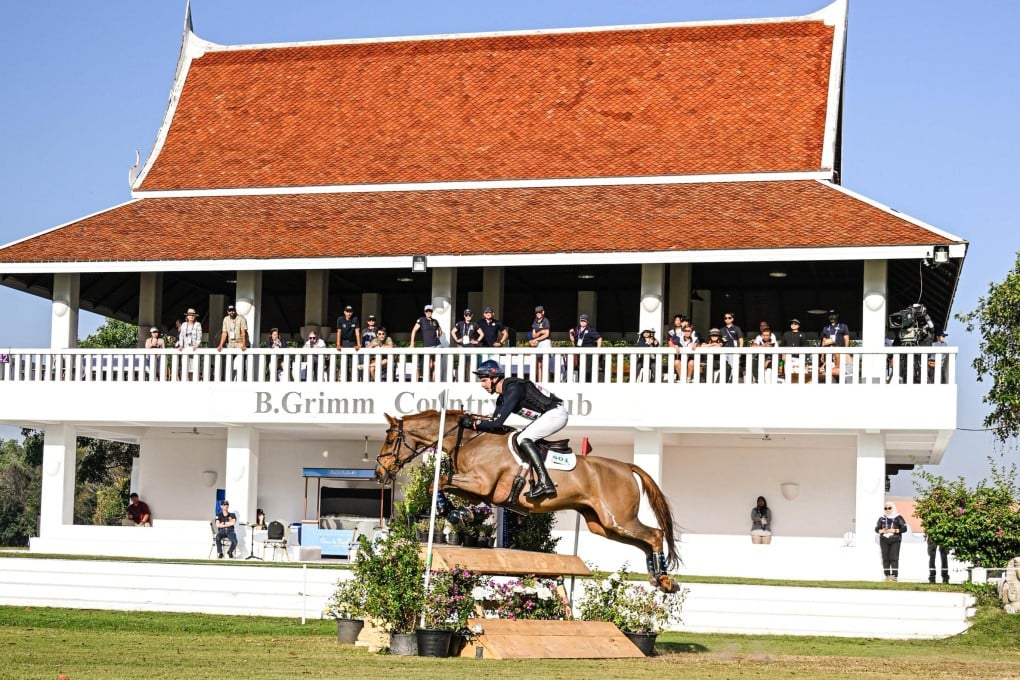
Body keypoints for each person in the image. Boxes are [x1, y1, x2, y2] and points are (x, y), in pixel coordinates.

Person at [461, 359, 564, 499]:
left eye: (484, 380)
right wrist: (474, 421)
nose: (482, 385)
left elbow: (496, 423)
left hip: (556, 413)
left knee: (523, 438)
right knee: (518, 436)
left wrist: (473, 424)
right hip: (548, 415)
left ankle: (545, 483)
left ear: (494, 378)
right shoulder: (502, 397)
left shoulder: (513, 389)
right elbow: (493, 423)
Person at [875, 501, 908, 581]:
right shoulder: (882, 518)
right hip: (884, 539)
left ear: (893, 508)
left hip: (895, 539)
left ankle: (894, 576)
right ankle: (887, 576)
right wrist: (881, 530)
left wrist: (895, 530)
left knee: (894, 558)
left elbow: (904, 528)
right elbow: (876, 528)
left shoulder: (898, 517)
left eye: (889, 508)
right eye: (885, 508)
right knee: (885, 558)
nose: (887, 510)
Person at [410, 304, 443, 380]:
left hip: (437, 344)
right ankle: (429, 379)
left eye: (430, 311)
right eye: (427, 311)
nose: (428, 312)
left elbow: (440, 330)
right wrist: (412, 343)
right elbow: (414, 331)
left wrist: (438, 336)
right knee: (430, 364)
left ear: (432, 312)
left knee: (435, 363)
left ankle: (433, 380)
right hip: (428, 345)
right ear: (424, 312)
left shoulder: (435, 321)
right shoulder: (421, 320)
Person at [568, 313, 602, 380]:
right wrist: (570, 334)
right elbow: (573, 340)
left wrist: (598, 350)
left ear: (587, 321)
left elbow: (599, 338)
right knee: (580, 367)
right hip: (579, 352)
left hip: (588, 352)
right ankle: (580, 381)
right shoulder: (577, 329)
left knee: (588, 368)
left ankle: (588, 382)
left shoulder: (590, 329)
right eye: (581, 320)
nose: (582, 322)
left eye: (584, 321)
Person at [820, 309, 851, 381]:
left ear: (837, 316)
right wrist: (822, 355)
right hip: (830, 355)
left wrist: (846, 351)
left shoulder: (843, 326)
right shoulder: (826, 328)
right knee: (829, 376)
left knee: (842, 374)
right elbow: (823, 342)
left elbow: (846, 339)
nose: (832, 317)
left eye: (833, 315)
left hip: (840, 354)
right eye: (830, 315)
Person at [335, 305, 362, 380]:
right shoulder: (340, 319)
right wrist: (338, 344)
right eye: (347, 312)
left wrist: (358, 344)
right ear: (344, 312)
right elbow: (339, 332)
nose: (349, 313)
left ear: (352, 312)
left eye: (350, 312)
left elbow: (357, 332)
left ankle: (355, 380)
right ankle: (345, 379)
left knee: (354, 363)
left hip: (352, 343)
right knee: (344, 363)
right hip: (344, 342)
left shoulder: (355, 319)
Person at [719, 312, 744, 382]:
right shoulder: (722, 329)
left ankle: (732, 381)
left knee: (733, 367)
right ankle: (724, 381)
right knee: (723, 366)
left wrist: (740, 350)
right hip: (724, 350)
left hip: (733, 350)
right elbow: (719, 341)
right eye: (725, 318)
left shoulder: (736, 328)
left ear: (732, 319)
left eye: (729, 318)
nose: (727, 319)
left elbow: (741, 339)